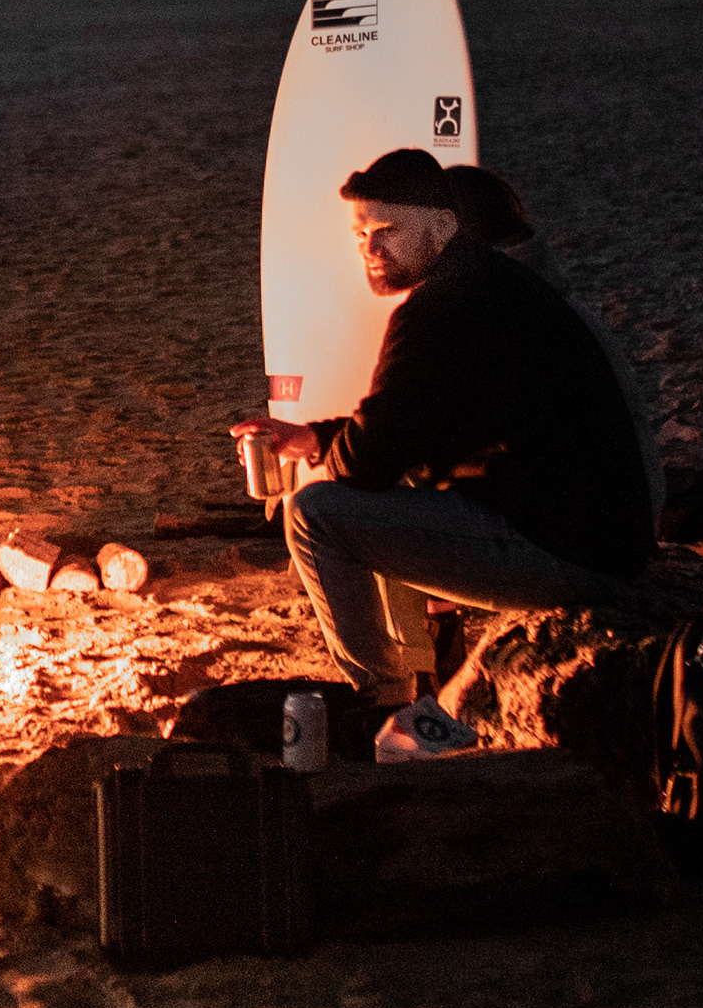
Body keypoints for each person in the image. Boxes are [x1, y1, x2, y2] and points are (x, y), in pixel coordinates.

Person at [232, 148, 655, 717]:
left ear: (442, 226)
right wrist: (315, 438)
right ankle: (424, 671)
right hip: (603, 540)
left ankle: (378, 698)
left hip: (567, 555)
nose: (371, 250)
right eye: (361, 235)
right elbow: (418, 426)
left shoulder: (442, 306)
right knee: (392, 492)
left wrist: (340, 453)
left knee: (317, 513)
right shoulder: (490, 280)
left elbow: (368, 460)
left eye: (387, 231)